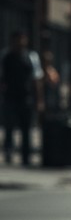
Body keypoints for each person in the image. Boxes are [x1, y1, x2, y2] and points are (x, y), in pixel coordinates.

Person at [1, 30, 41, 165]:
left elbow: (37, 79)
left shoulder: (31, 56)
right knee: (9, 127)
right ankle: (8, 153)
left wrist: (39, 99)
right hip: (10, 97)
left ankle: (26, 156)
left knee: (26, 128)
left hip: (26, 97)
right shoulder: (6, 56)